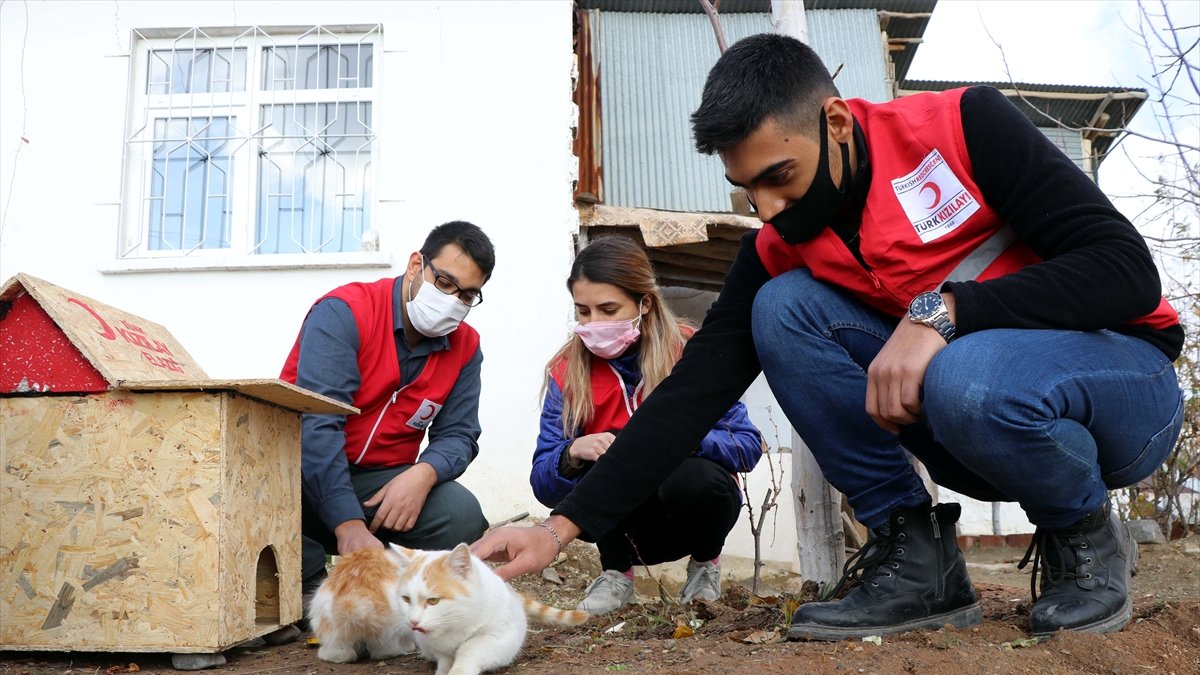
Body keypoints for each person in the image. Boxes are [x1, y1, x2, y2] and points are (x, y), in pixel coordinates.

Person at [474, 33, 1185, 642]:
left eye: (781, 176)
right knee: (782, 306)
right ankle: (916, 557)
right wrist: (559, 528)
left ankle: (1084, 535)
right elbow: (691, 393)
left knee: (965, 372)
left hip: (1122, 389)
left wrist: (941, 312)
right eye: (749, 188)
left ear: (836, 123)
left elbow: (1125, 272)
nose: (770, 208)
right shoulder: (781, 246)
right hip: (972, 422)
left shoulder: (963, 126)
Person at [530, 236, 763, 614]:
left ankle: (705, 567)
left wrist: (682, 440)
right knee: (603, 455)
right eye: (583, 311)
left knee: (697, 477)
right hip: (617, 522)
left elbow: (747, 444)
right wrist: (572, 453)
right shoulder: (566, 371)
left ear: (645, 303)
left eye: (609, 309)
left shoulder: (691, 351)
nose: (594, 323)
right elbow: (542, 481)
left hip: (689, 513)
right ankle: (616, 575)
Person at [282, 220, 496, 597]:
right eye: (445, 283)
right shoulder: (345, 313)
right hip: (298, 469)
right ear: (416, 265)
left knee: (461, 513)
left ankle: (401, 587)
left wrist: (424, 474)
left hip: (377, 482)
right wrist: (347, 523)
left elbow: (460, 434)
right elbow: (318, 425)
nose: (453, 301)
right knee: (253, 499)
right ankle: (306, 581)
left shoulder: (465, 346)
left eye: (467, 295)